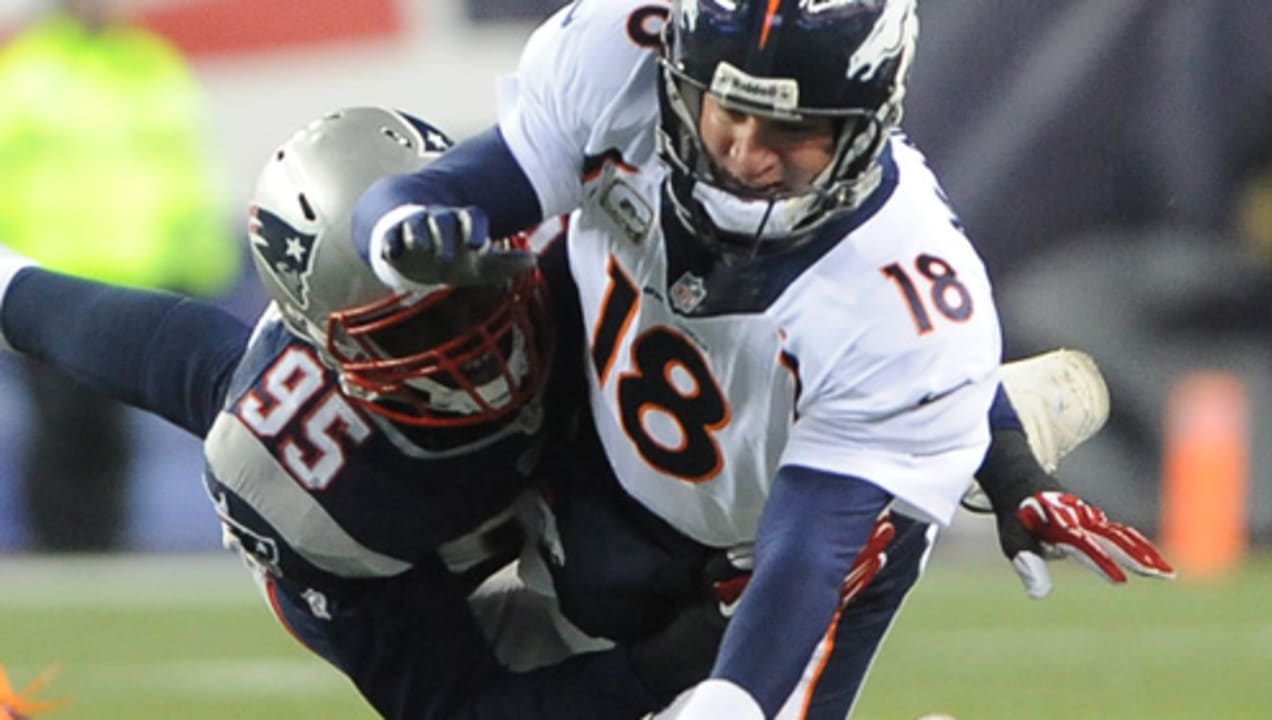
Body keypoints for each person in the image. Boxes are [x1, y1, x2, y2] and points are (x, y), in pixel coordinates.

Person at [351, 1, 1174, 718]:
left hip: (788, 528)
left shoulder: (902, 288)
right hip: (612, 469)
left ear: (866, 122)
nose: (745, 153)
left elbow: (809, 548)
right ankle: (967, 420)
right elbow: (434, 191)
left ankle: (960, 424)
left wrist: (733, 699)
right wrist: (403, 228)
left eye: (789, 129)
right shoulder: (619, 58)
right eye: (726, 113)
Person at [0, 106, 767, 720]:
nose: (473, 350)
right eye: (415, 333)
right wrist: (660, 664)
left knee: (625, 562)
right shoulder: (300, 471)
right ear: (330, 349)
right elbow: (460, 704)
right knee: (611, 592)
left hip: (574, 474)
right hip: (439, 561)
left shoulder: (564, 236)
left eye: (473, 297)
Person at [0, 0, 238, 551]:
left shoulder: (152, 68)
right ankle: (60, 557)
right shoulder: (26, 73)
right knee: (62, 431)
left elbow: (188, 173)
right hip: (51, 286)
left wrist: (203, 268)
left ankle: (101, 554)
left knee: (113, 439)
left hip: (135, 284)